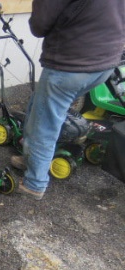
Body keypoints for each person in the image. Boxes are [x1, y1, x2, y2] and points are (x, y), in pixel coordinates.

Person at [12, 0, 125, 200]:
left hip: (71, 64)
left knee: (45, 124)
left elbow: (39, 25)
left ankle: (35, 183)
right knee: (41, 106)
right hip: (105, 63)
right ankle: (32, 158)